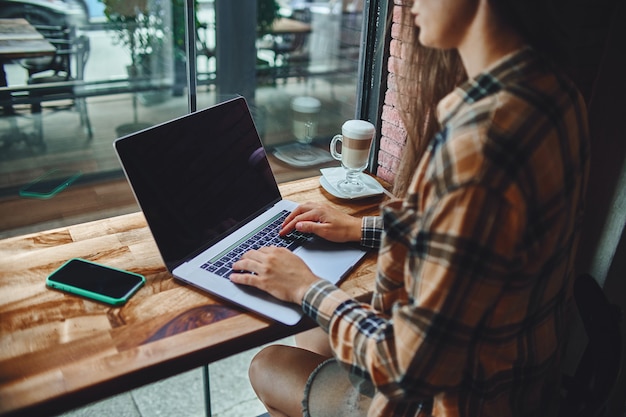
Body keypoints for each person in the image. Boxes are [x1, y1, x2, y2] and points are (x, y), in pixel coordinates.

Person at [230, 0, 589, 415]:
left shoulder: (479, 145)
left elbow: (409, 369)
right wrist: (357, 229)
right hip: (520, 382)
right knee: (311, 334)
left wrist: (303, 287)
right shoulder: (555, 94)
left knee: (268, 365)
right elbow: (475, 239)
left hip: (455, 401)